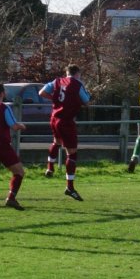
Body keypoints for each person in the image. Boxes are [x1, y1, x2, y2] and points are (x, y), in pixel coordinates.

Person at [39, 64, 91, 201]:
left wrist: (55, 99)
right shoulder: (77, 84)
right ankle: (70, 187)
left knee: (56, 141)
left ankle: (50, 167)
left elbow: (41, 93)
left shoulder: (56, 81)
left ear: (66, 72)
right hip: (67, 121)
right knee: (72, 153)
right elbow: (87, 102)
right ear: (77, 73)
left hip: (54, 118)